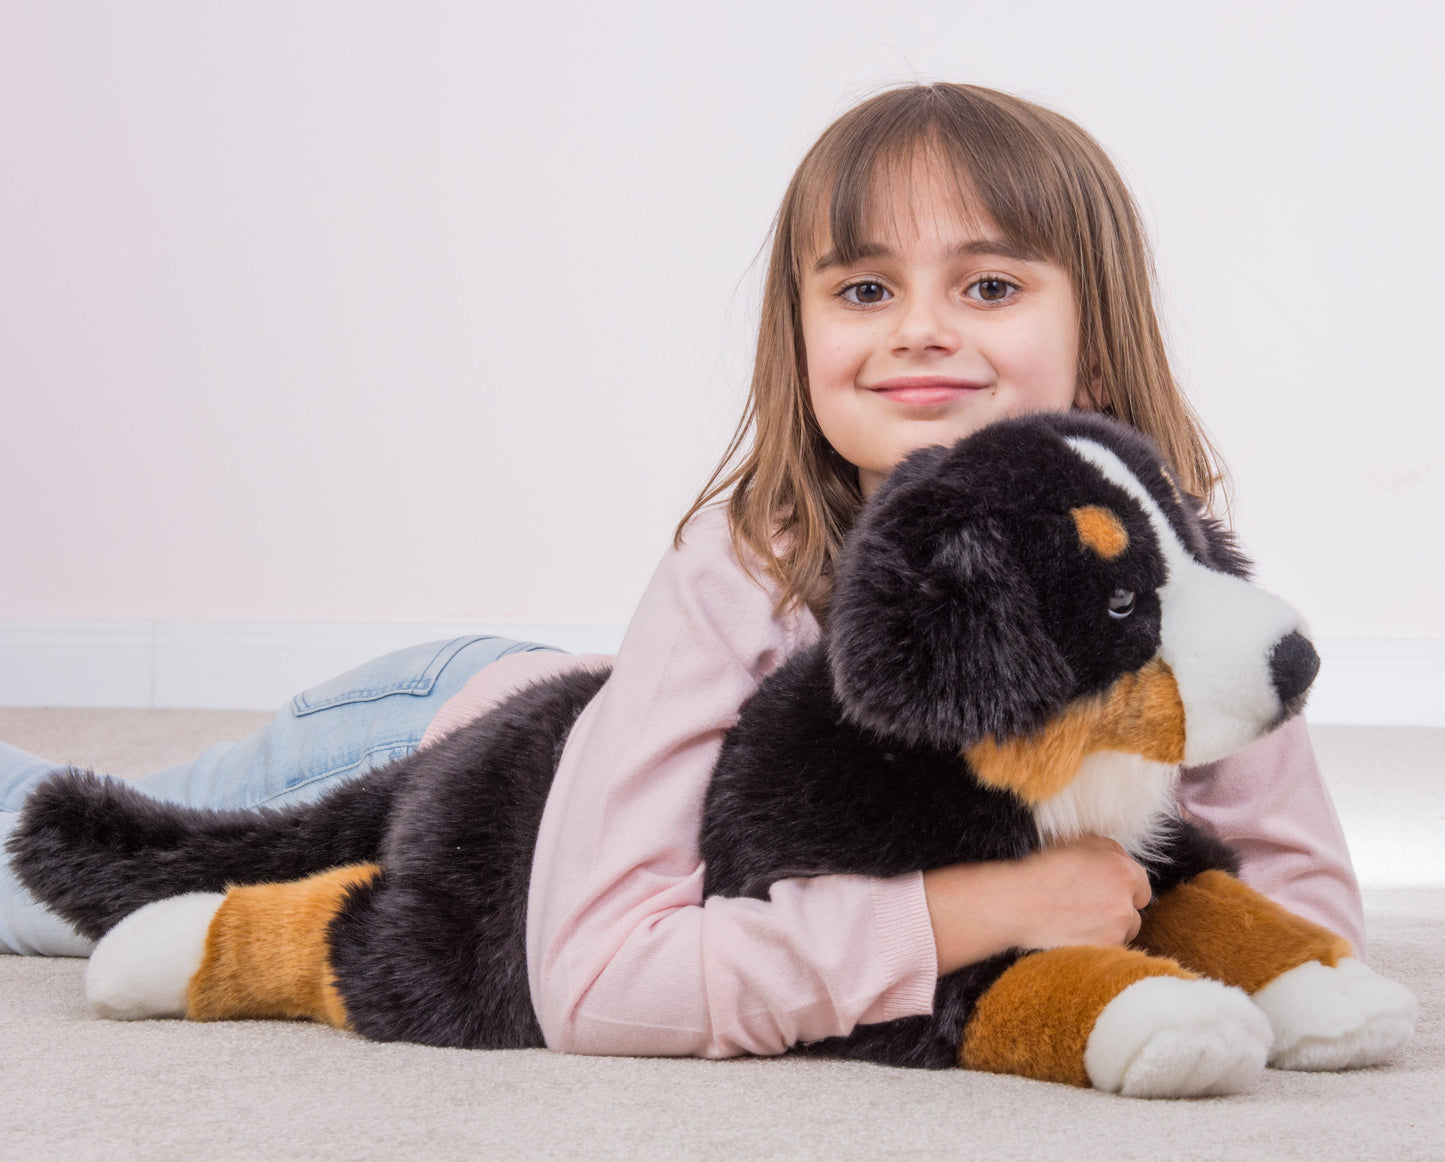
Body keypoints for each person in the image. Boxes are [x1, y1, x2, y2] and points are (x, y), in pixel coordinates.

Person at [0, 84, 1362, 1061]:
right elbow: (591, 980)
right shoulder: (744, 567)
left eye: (990, 286)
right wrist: (972, 912)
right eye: (863, 289)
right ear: (802, 332)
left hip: (546, 713)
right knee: (65, 870)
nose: (920, 332)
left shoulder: (1172, 592)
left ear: (1100, 352)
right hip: (442, 745)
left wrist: (1166, 938)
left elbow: (1301, 931)